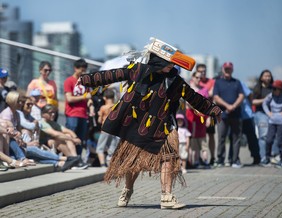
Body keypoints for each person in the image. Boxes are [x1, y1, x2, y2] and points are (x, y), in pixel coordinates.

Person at [78, 38, 222, 209]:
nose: (172, 66)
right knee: (133, 162)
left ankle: (166, 197)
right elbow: (114, 74)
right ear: (158, 61)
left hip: (164, 125)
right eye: (168, 63)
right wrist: (87, 79)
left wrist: (213, 110)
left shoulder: (175, 81)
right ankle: (128, 189)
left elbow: (193, 97)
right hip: (138, 124)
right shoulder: (138, 70)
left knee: (169, 158)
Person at [213, 62, 244, 168]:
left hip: (236, 114)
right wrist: (227, 106)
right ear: (223, 69)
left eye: (229, 69)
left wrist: (233, 106)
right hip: (222, 115)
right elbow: (216, 97)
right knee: (221, 137)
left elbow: (241, 96)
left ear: (232, 70)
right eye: (226, 69)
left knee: (236, 138)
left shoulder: (237, 82)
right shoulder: (218, 82)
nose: (227, 70)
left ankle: (234, 160)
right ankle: (220, 159)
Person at [39, 104, 89, 170]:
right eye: (50, 112)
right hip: (42, 145)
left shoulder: (53, 123)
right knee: (58, 140)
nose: (53, 114)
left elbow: (67, 131)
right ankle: (72, 160)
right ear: (43, 114)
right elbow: (55, 134)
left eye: (54, 112)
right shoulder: (42, 123)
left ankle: (75, 158)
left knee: (67, 136)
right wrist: (72, 139)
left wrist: (75, 137)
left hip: (51, 144)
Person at [64, 58, 94, 157]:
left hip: (83, 115)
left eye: (84, 70)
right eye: (81, 69)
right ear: (75, 68)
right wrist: (84, 97)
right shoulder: (69, 81)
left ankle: (79, 158)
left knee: (81, 138)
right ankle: (71, 157)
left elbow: (89, 98)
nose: (83, 72)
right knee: (71, 137)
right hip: (72, 114)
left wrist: (91, 108)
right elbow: (69, 98)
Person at [252, 70, 278, 162]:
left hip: (273, 114)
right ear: (261, 77)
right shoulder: (257, 88)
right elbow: (253, 101)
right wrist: (265, 100)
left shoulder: (274, 88)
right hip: (261, 113)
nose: (267, 78)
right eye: (265, 76)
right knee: (263, 136)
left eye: (269, 76)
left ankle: (275, 156)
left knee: (274, 135)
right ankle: (263, 157)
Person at [261, 80, 282, 168]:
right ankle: (267, 157)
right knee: (269, 140)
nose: (273, 90)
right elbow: (264, 103)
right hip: (272, 121)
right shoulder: (270, 96)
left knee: (280, 141)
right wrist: (268, 113)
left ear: (280, 89)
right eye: (273, 88)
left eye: (275, 88)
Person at [187, 71, 210, 168]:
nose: (199, 79)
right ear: (193, 77)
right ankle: (193, 161)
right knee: (192, 141)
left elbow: (207, 104)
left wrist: (208, 118)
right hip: (190, 117)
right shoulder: (189, 88)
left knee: (203, 141)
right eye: (197, 77)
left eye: (200, 78)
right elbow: (187, 102)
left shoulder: (204, 90)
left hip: (201, 118)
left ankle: (204, 161)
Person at [197, 64, 216, 165]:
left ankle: (213, 157)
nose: (202, 73)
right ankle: (200, 158)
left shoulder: (212, 82)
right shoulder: (195, 81)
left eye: (204, 71)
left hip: (210, 112)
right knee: (198, 136)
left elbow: (212, 94)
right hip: (198, 114)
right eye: (200, 71)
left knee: (211, 135)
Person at [96, 89, 120, 167]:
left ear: (104, 98)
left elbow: (99, 121)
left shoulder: (103, 107)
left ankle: (102, 164)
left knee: (100, 147)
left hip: (105, 129)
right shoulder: (117, 106)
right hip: (114, 129)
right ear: (113, 97)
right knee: (112, 148)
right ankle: (111, 164)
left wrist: (99, 115)